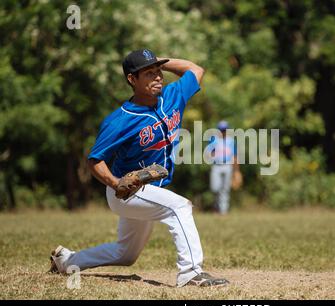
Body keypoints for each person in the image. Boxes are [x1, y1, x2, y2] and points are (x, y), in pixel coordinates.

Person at [48, 49, 229, 287]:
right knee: (180, 207)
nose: (157, 77)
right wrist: (116, 184)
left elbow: (196, 70)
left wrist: (160, 62)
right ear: (132, 80)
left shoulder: (173, 96)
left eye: (158, 72)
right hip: (126, 191)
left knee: (126, 255)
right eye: (148, 74)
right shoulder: (120, 120)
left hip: (151, 190)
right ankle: (190, 272)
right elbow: (94, 160)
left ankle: (66, 260)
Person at [206, 120, 242, 214]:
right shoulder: (214, 139)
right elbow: (209, 152)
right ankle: (216, 206)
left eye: (225, 129)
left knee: (225, 189)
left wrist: (237, 171)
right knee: (215, 188)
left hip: (227, 166)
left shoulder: (231, 141)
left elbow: (234, 156)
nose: (223, 131)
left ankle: (223, 211)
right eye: (221, 129)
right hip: (216, 166)